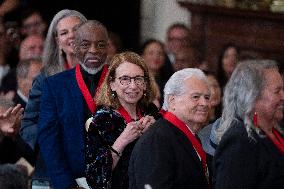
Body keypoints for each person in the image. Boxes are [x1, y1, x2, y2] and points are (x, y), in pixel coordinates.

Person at [19, 9, 87, 188]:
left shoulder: (106, 75)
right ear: (57, 42)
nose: (72, 36)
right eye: (64, 33)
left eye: (77, 29)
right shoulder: (45, 78)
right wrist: (57, 141)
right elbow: (28, 126)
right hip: (51, 175)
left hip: (95, 172)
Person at [38, 20, 109, 189]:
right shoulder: (55, 86)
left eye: (100, 45)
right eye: (85, 44)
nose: (93, 50)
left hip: (115, 179)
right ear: (75, 47)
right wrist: (66, 184)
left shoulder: (121, 82)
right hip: (73, 180)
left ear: (108, 47)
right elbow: (49, 139)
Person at [85, 51, 159, 189]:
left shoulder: (152, 112)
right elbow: (95, 178)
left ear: (145, 84)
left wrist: (157, 131)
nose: (133, 86)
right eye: (125, 79)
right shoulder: (102, 120)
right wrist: (122, 141)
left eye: (138, 79)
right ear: (112, 84)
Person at [129, 68, 211, 189]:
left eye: (207, 97)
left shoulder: (187, 135)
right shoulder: (156, 140)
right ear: (172, 101)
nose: (204, 103)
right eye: (195, 97)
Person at [213, 60, 284, 189]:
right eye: (277, 91)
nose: (283, 96)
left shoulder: (276, 131)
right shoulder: (240, 140)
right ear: (253, 95)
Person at [141, 39, 174, 105]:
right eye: (151, 53)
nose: (156, 57)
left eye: (160, 53)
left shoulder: (169, 82)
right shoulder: (136, 81)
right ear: (142, 56)